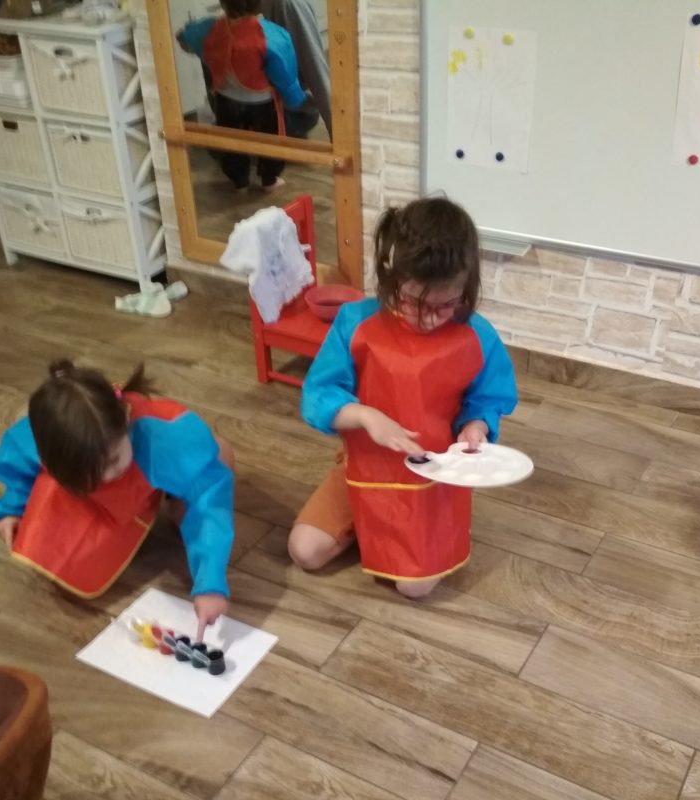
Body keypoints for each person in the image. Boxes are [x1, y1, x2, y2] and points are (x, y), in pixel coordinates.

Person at [288, 196, 518, 599]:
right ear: (392, 276)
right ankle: (369, 525)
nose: (428, 318)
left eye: (445, 305)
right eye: (414, 302)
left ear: (466, 288)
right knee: (304, 551)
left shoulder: (477, 336)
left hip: (431, 478)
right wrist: (363, 415)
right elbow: (318, 394)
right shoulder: (356, 323)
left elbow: (488, 398)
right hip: (363, 471)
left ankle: (388, 531)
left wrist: (476, 427)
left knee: (414, 588)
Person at [0, 360, 235, 639]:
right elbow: (19, 465)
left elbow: (208, 501)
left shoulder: (162, 439)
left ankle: (172, 486)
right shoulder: (42, 439)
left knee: (215, 461)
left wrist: (210, 582)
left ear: (126, 418)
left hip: (159, 462)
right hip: (126, 484)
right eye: (91, 474)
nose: (107, 476)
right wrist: (11, 509)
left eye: (113, 460)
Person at [177, 0, 308, 193]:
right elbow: (284, 72)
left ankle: (239, 181)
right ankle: (269, 179)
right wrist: (294, 96)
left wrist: (207, 52)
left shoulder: (208, 28)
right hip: (262, 101)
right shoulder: (271, 35)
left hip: (226, 99)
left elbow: (184, 39)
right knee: (270, 141)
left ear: (223, 3)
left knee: (231, 142)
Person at [260, 0, 331, 139]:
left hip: (288, 109)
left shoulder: (288, 5)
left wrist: (339, 134)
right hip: (273, 105)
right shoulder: (285, 5)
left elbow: (314, 67)